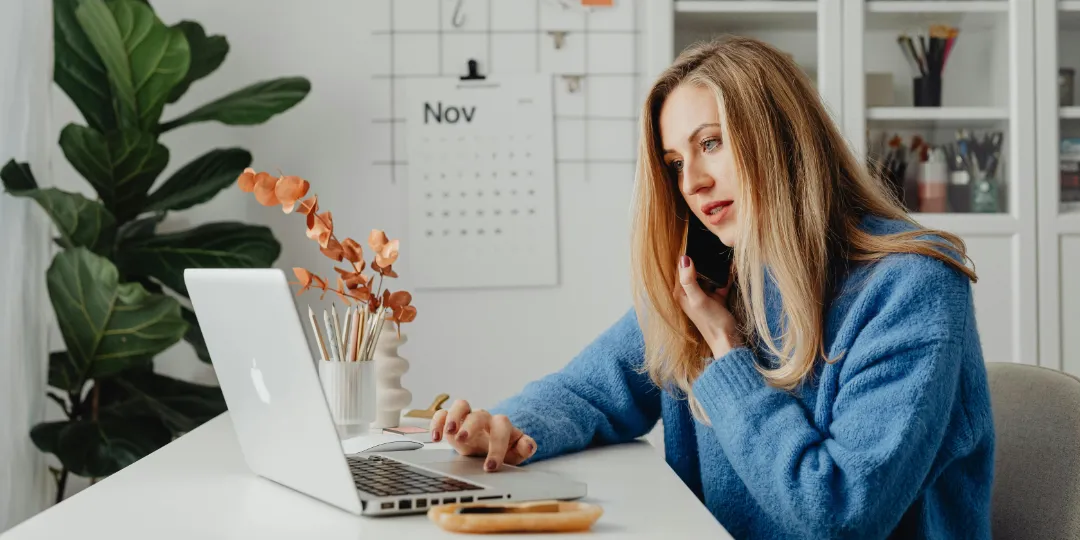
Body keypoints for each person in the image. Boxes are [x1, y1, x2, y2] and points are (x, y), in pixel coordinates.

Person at [428, 36, 994, 539]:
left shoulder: (912, 286)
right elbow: (590, 391)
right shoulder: (719, 276)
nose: (692, 183)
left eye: (712, 143)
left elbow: (839, 512)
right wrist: (502, 427)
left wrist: (726, 353)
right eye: (675, 162)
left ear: (783, 139)